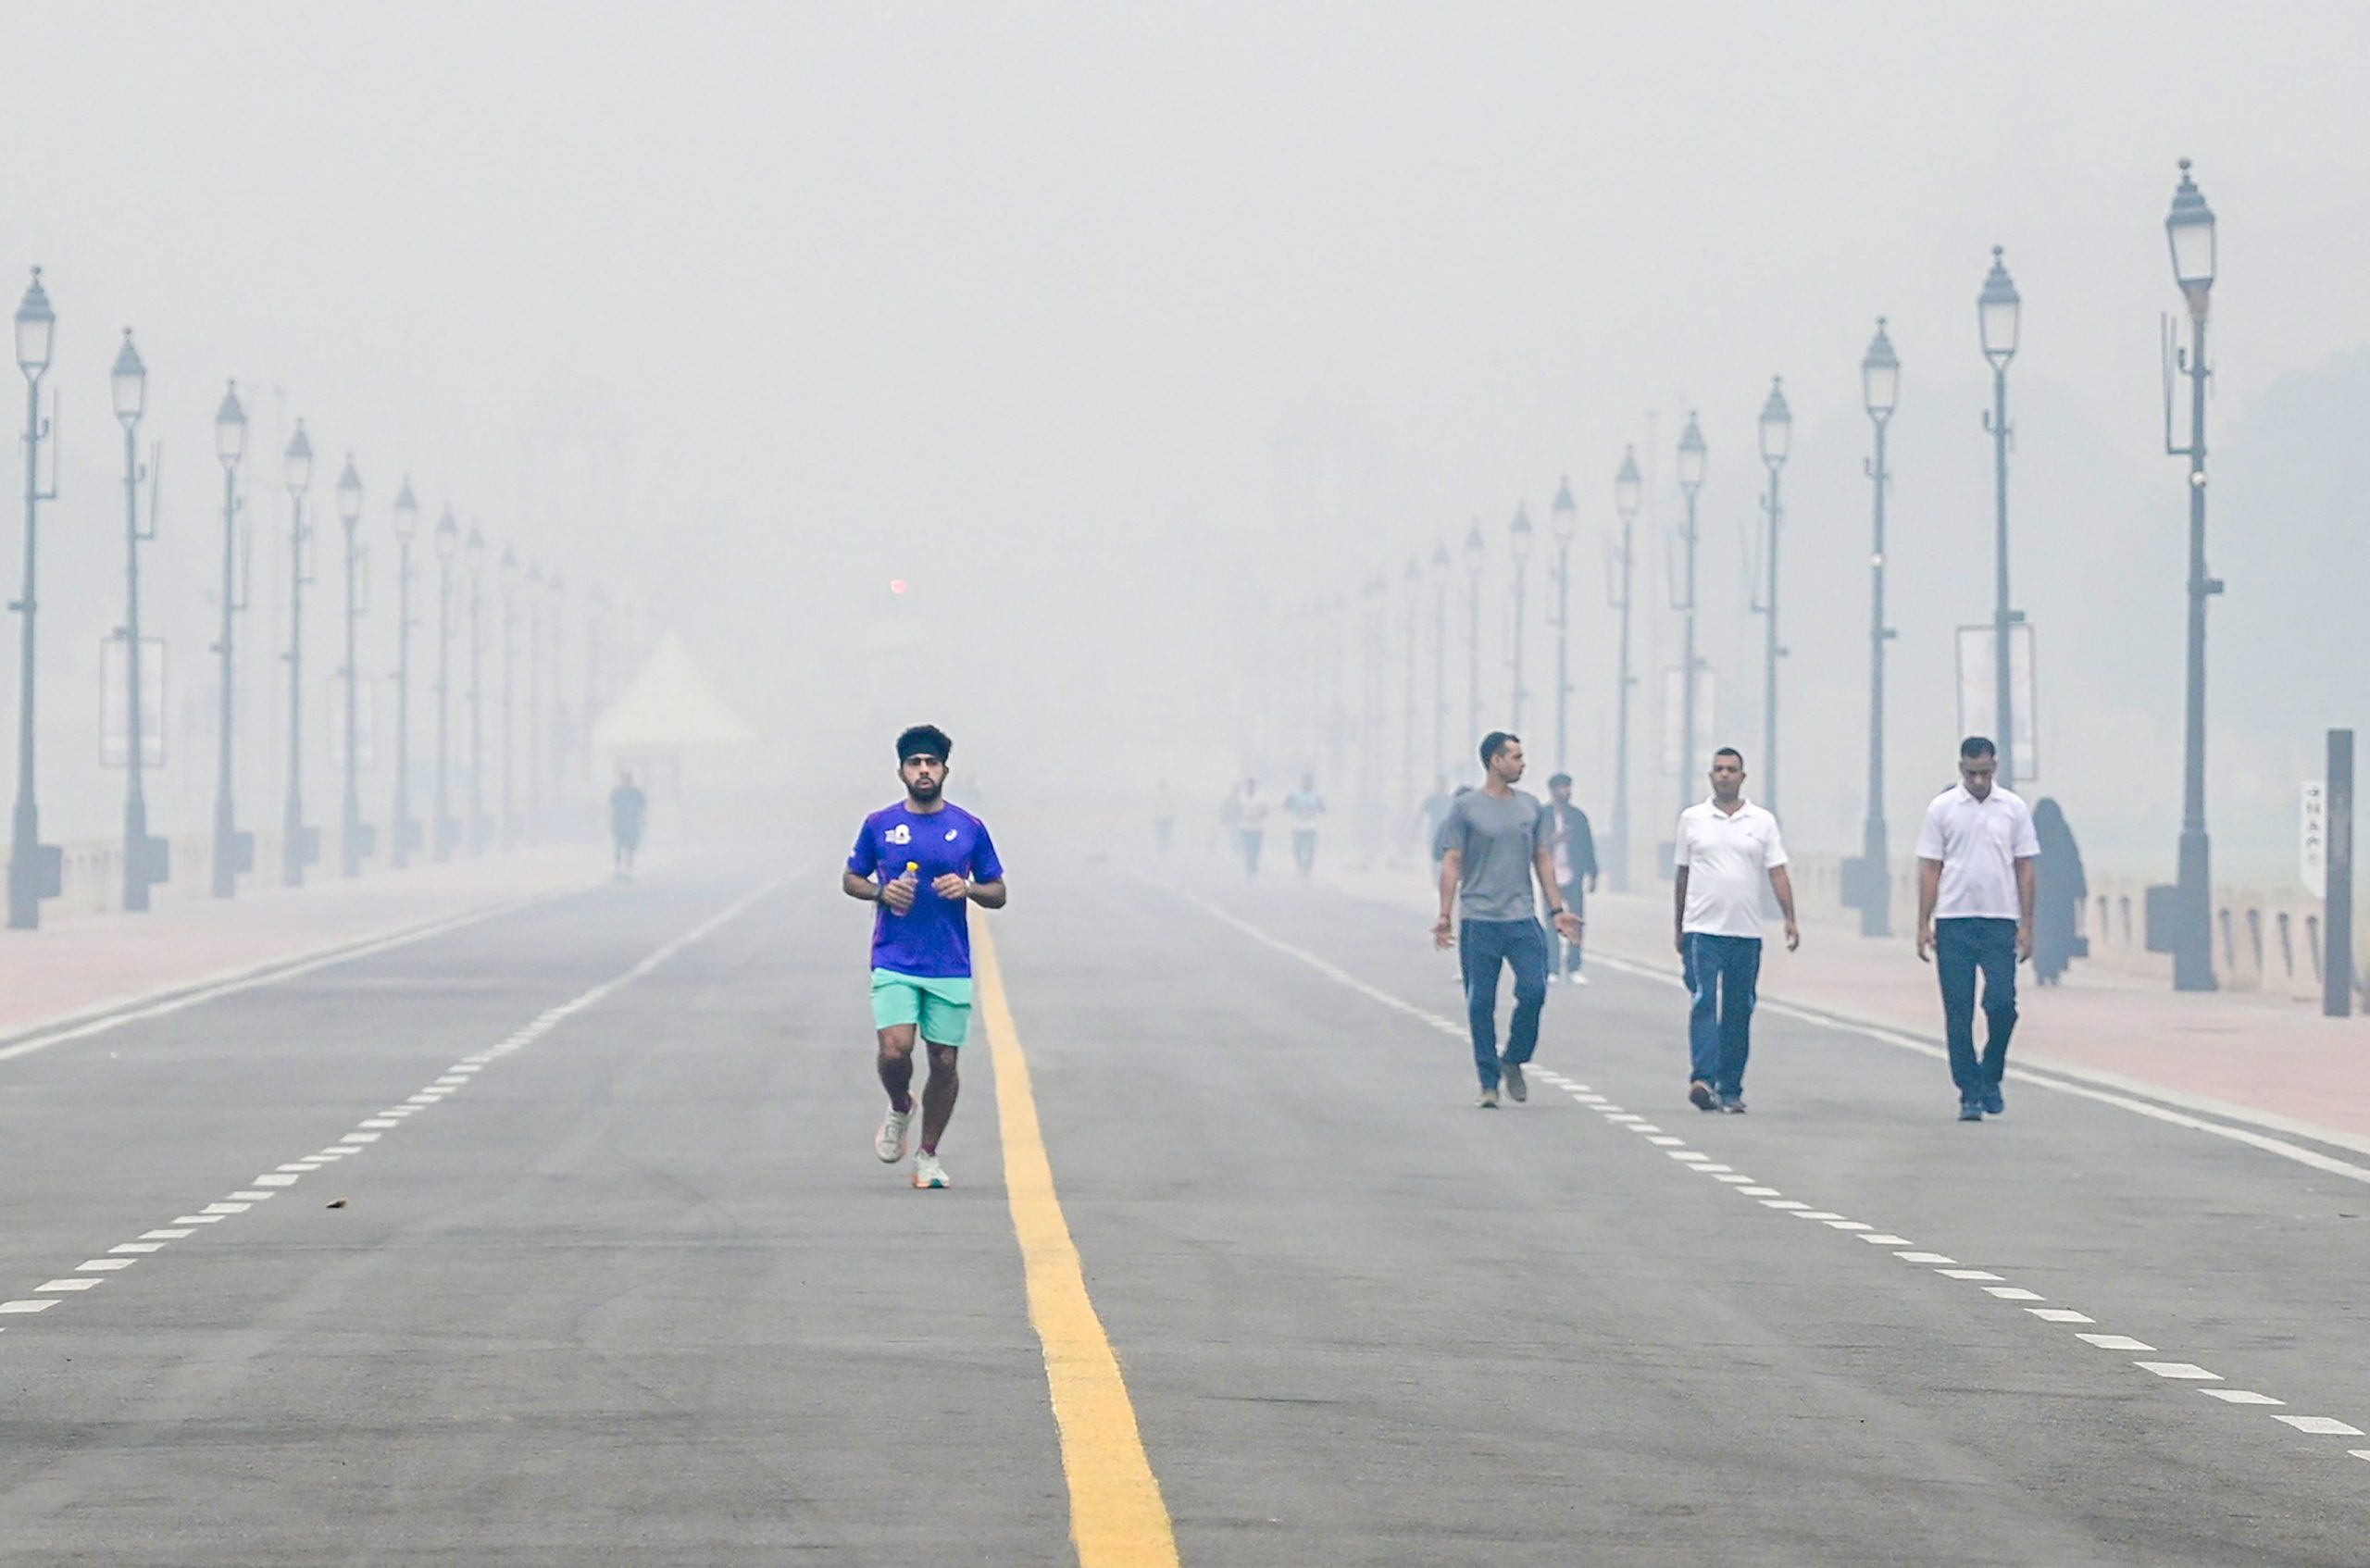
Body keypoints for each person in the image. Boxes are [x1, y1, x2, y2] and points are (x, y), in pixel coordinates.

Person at [842, 724, 1008, 1189]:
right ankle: (900, 1106)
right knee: (895, 1050)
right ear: (900, 771)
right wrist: (881, 891)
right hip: (894, 958)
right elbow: (850, 878)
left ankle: (928, 1155)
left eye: (931, 763)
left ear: (944, 770)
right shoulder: (879, 825)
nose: (923, 770)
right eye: (914, 763)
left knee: (944, 1062)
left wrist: (969, 887)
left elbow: (999, 891)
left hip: (949, 963)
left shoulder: (968, 828)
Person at [1433, 732, 1583, 1108]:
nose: (1522, 763)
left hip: (1521, 918)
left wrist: (1557, 910)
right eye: (1515, 757)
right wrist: (1444, 915)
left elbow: (1542, 858)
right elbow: (1452, 861)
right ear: (1495, 761)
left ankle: (1513, 1058)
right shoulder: (1466, 808)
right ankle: (1488, 1081)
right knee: (1480, 1003)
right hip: (1480, 918)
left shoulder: (1531, 807)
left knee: (1534, 991)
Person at [1915, 735, 2039, 1122]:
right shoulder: (1943, 808)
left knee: (2002, 1004)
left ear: (1995, 768)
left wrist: (2027, 924)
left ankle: (1991, 1072)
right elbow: (1930, 867)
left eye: (1985, 773)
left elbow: (2025, 866)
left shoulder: (2013, 809)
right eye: (1972, 774)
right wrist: (1923, 921)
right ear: (1961, 769)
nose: (1980, 781)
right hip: (1954, 919)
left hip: (2000, 919)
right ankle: (1969, 1090)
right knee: (1958, 1011)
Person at [1672, 748, 1798, 1114]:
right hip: (1703, 928)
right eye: (1718, 769)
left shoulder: (1761, 822)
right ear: (1710, 776)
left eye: (1732, 769)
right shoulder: (1692, 819)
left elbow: (1777, 870)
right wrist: (1679, 925)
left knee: (1739, 1009)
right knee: (1704, 1002)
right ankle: (1703, 1079)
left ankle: (1730, 1088)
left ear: (1743, 776)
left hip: (1745, 931)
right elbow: (1683, 874)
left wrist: (1790, 916)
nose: (1725, 775)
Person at [1544, 773, 1600, 985]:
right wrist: (1554, 840)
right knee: (1551, 922)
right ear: (1552, 790)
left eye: (1567, 787)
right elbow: (1535, 845)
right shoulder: (1543, 815)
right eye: (1560, 788)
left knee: (1576, 920)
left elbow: (1587, 845)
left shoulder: (1578, 817)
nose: (1565, 792)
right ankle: (1552, 967)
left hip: (1573, 874)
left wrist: (1593, 873)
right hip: (1550, 876)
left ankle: (1574, 965)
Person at [2031, 797, 2087, 986]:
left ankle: (2041, 967)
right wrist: (2080, 889)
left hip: (2038, 892)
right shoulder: (2063, 831)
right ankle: (2054, 968)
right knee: (2059, 930)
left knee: (2040, 931)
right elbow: (2074, 859)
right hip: (2062, 893)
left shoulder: (2032, 832)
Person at [1284, 773, 1326, 877]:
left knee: (1310, 850)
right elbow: (1285, 806)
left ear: (1311, 783)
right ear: (1301, 782)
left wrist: (1320, 806)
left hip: (1311, 826)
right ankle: (1300, 867)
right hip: (1297, 826)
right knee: (1296, 850)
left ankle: (1307, 870)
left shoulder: (1316, 796)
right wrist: (1288, 802)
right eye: (1304, 781)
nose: (1306, 783)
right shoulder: (1294, 794)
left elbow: (1322, 809)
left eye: (1308, 781)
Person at [607, 770, 648, 877]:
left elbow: (642, 810)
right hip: (620, 823)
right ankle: (618, 868)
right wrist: (611, 823)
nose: (626, 780)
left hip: (632, 823)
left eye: (628, 778)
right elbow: (612, 809)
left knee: (630, 848)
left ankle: (628, 869)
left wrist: (643, 822)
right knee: (618, 846)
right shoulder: (617, 792)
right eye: (625, 778)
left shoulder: (637, 793)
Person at [1231, 778, 1268, 877]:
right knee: (1247, 849)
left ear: (1254, 786)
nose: (1249, 787)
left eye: (1251, 785)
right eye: (1247, 785)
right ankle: (1249, 867)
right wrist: (1241, 816)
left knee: (1256, 849)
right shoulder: (1241, 797)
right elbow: (1236, 809)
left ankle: (1254, 864)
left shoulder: (1261, 797)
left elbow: (1265, 811)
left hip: (1258, 828)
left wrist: (1258, 815)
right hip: (1245, 828)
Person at [1416, 777, 1453, 862]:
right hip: (1435, 831)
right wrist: (1416, 830)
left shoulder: (1449, 800)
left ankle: (1439, 872)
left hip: (1445, 833)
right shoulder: (1433, 800)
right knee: (1436, 857)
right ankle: (1437, 872)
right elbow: (1421, 815)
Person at [1154, 779, 1177, 855]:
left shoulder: (1161, 795)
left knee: (1164, 834)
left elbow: (1171, 807)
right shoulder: (1163, 795)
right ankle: (1165, 848)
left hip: (1164, 818)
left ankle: (1164, 848)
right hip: (1164, 818)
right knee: (1164, 834)